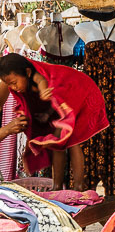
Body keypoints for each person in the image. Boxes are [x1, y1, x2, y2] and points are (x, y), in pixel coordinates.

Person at [0, 53, 108, 190]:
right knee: (57, 144)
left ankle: (79, 184)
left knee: (73, 142)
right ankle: (56, 185)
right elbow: (50, 102)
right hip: (58, 107)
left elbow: (45, 84)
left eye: (14, 83)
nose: (13, 88)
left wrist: (44, 90)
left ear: (27, 73)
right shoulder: (21, 82)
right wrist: (45, 115)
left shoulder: (34, 74)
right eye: (9, 85)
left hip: (76, 94)